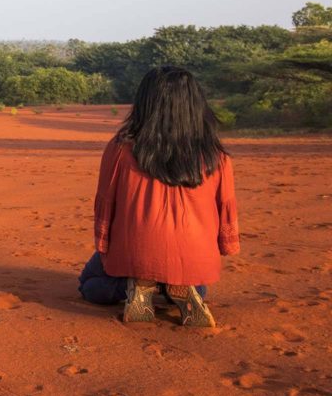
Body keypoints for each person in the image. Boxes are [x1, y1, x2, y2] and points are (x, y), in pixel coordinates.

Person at [78, 66, 240, 327]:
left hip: (136, 246)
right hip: (193, 254)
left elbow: (106, 203)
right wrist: (226, 246)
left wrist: (104, 245)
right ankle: (174, 288)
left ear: (144, 103)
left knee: (89, 284)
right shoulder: (216, 155)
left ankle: (140, 283)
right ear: (195, 103)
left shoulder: (121, 148)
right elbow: (225, 207)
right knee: (198, 287)